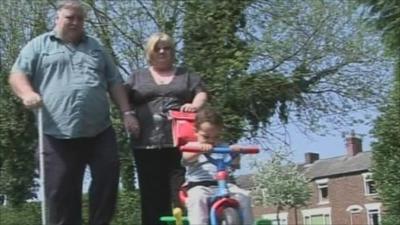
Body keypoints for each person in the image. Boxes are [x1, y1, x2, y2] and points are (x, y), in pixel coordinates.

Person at [8, 1, 138, 224]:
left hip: (99, 130)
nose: (76, 22)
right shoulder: (38, 46)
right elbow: (17, 75)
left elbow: (114, 82)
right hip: (55, 133)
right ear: (57, 17)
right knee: (59, 192)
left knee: (108, 177)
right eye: (70, 17)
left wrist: (127, 112)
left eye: (80, 18)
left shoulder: (96, 48)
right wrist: (27, 93)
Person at [125, 32, 207, 225]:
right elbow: (123, 99)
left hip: (181, 144)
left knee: (182, 192)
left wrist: (195, 105)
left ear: (172, 51)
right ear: (150, 52)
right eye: (157, 48)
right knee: (151, 195)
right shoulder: (137, 77)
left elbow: (201, 93)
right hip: (145, 144)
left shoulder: (186, 75)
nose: (162, 51)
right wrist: (128, 116)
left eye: (167, 48)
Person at [181, 107, 254, 225]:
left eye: (216, 137)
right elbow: (186, 158)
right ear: (195, 130)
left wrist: (235, 152)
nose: (211, 141)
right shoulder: (192, 145)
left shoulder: (223, 146)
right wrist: (199, 150)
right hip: (199, 185)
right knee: (198, 199)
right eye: (206, 137)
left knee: (244, 196)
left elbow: (234, 164)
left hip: (225, 184)